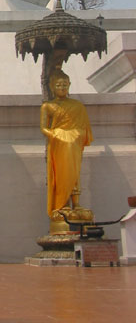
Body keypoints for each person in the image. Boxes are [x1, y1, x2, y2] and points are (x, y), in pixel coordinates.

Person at [40, 69, 93, 217]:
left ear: (69, 85)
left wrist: (76, 135)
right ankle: (61, 205)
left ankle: (76, 204)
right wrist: (58, 135)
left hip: (74, 143)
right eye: (58, 85)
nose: (62, 88)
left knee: (75, 174)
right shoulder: (48, 106)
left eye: (64, 84)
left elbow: (85, 129)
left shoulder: (77, 106)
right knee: (62, 174)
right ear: (52, 87)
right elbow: (43, 128)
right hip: (59, 144)